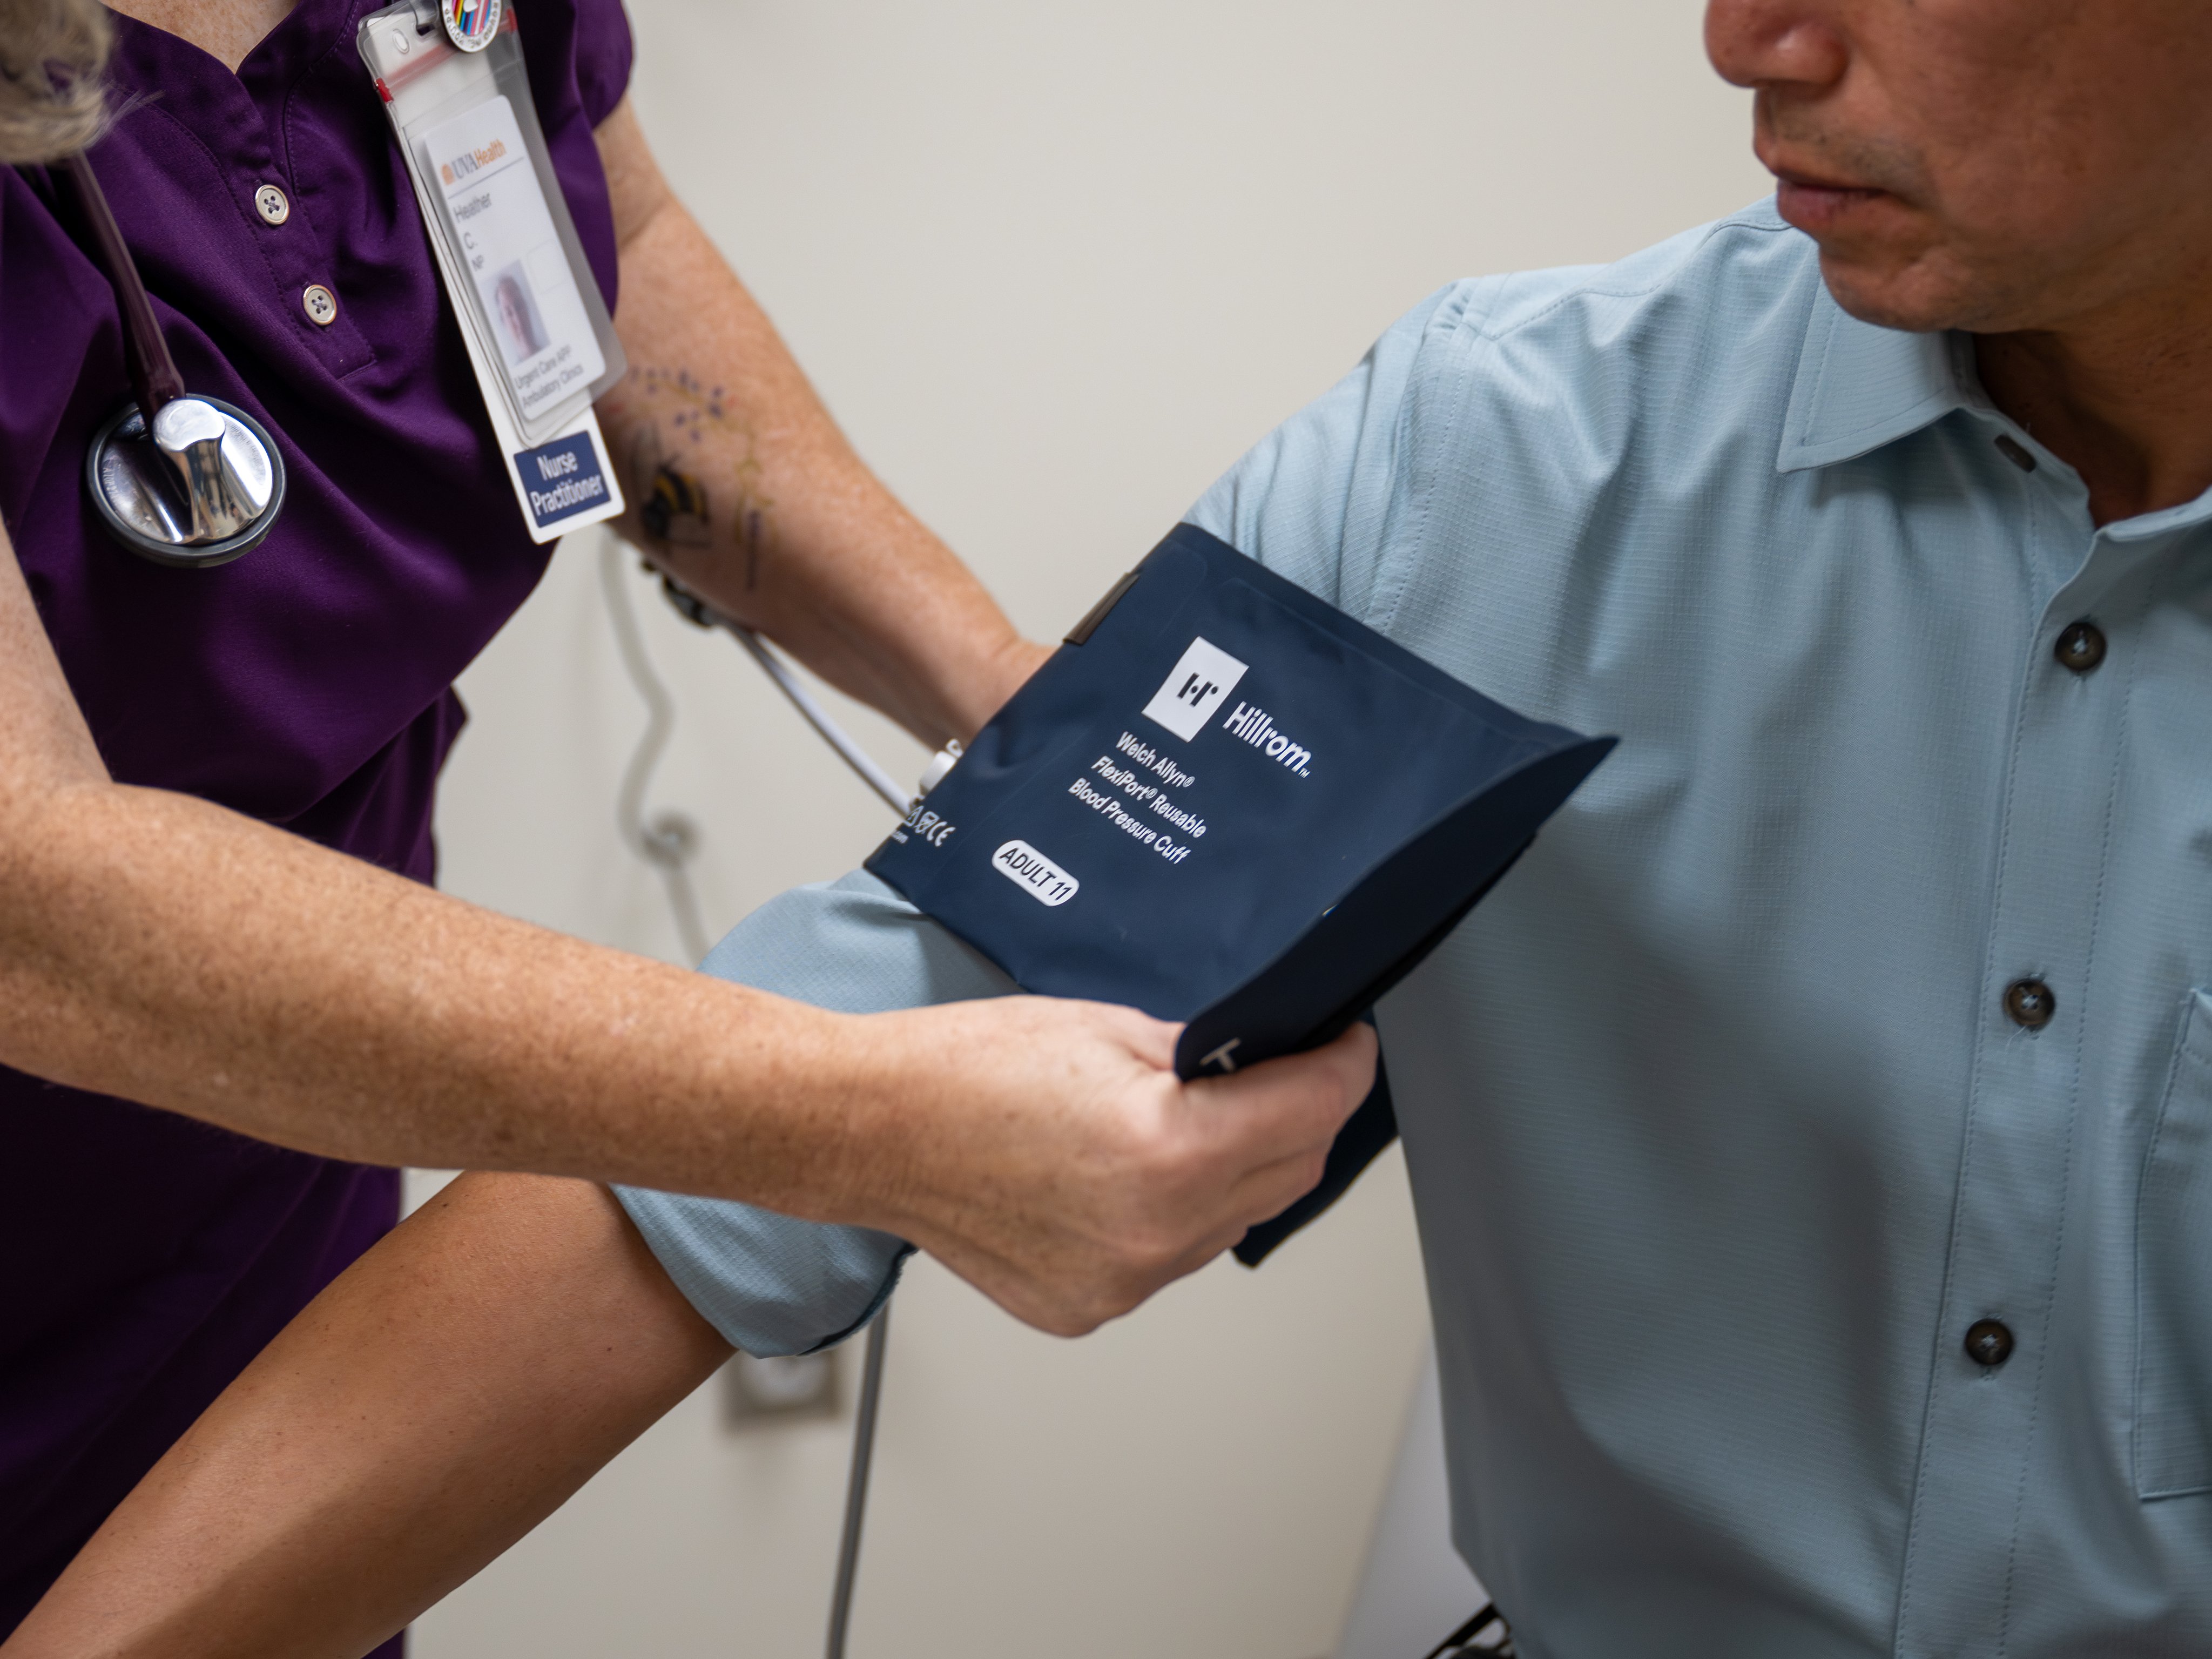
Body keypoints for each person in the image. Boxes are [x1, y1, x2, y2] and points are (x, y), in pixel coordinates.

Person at [20, 0, 2212, 1652]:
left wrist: (1032, 727)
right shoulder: (1509, 461)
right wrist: (1048, 858)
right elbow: (700, 1186)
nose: (1740, 39)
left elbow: (601, 247)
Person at [0, 0, 1373, 1643]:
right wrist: (870, 1126)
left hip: (250, 1246)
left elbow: (604, 244)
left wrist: (1018, 709)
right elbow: (35, 892)